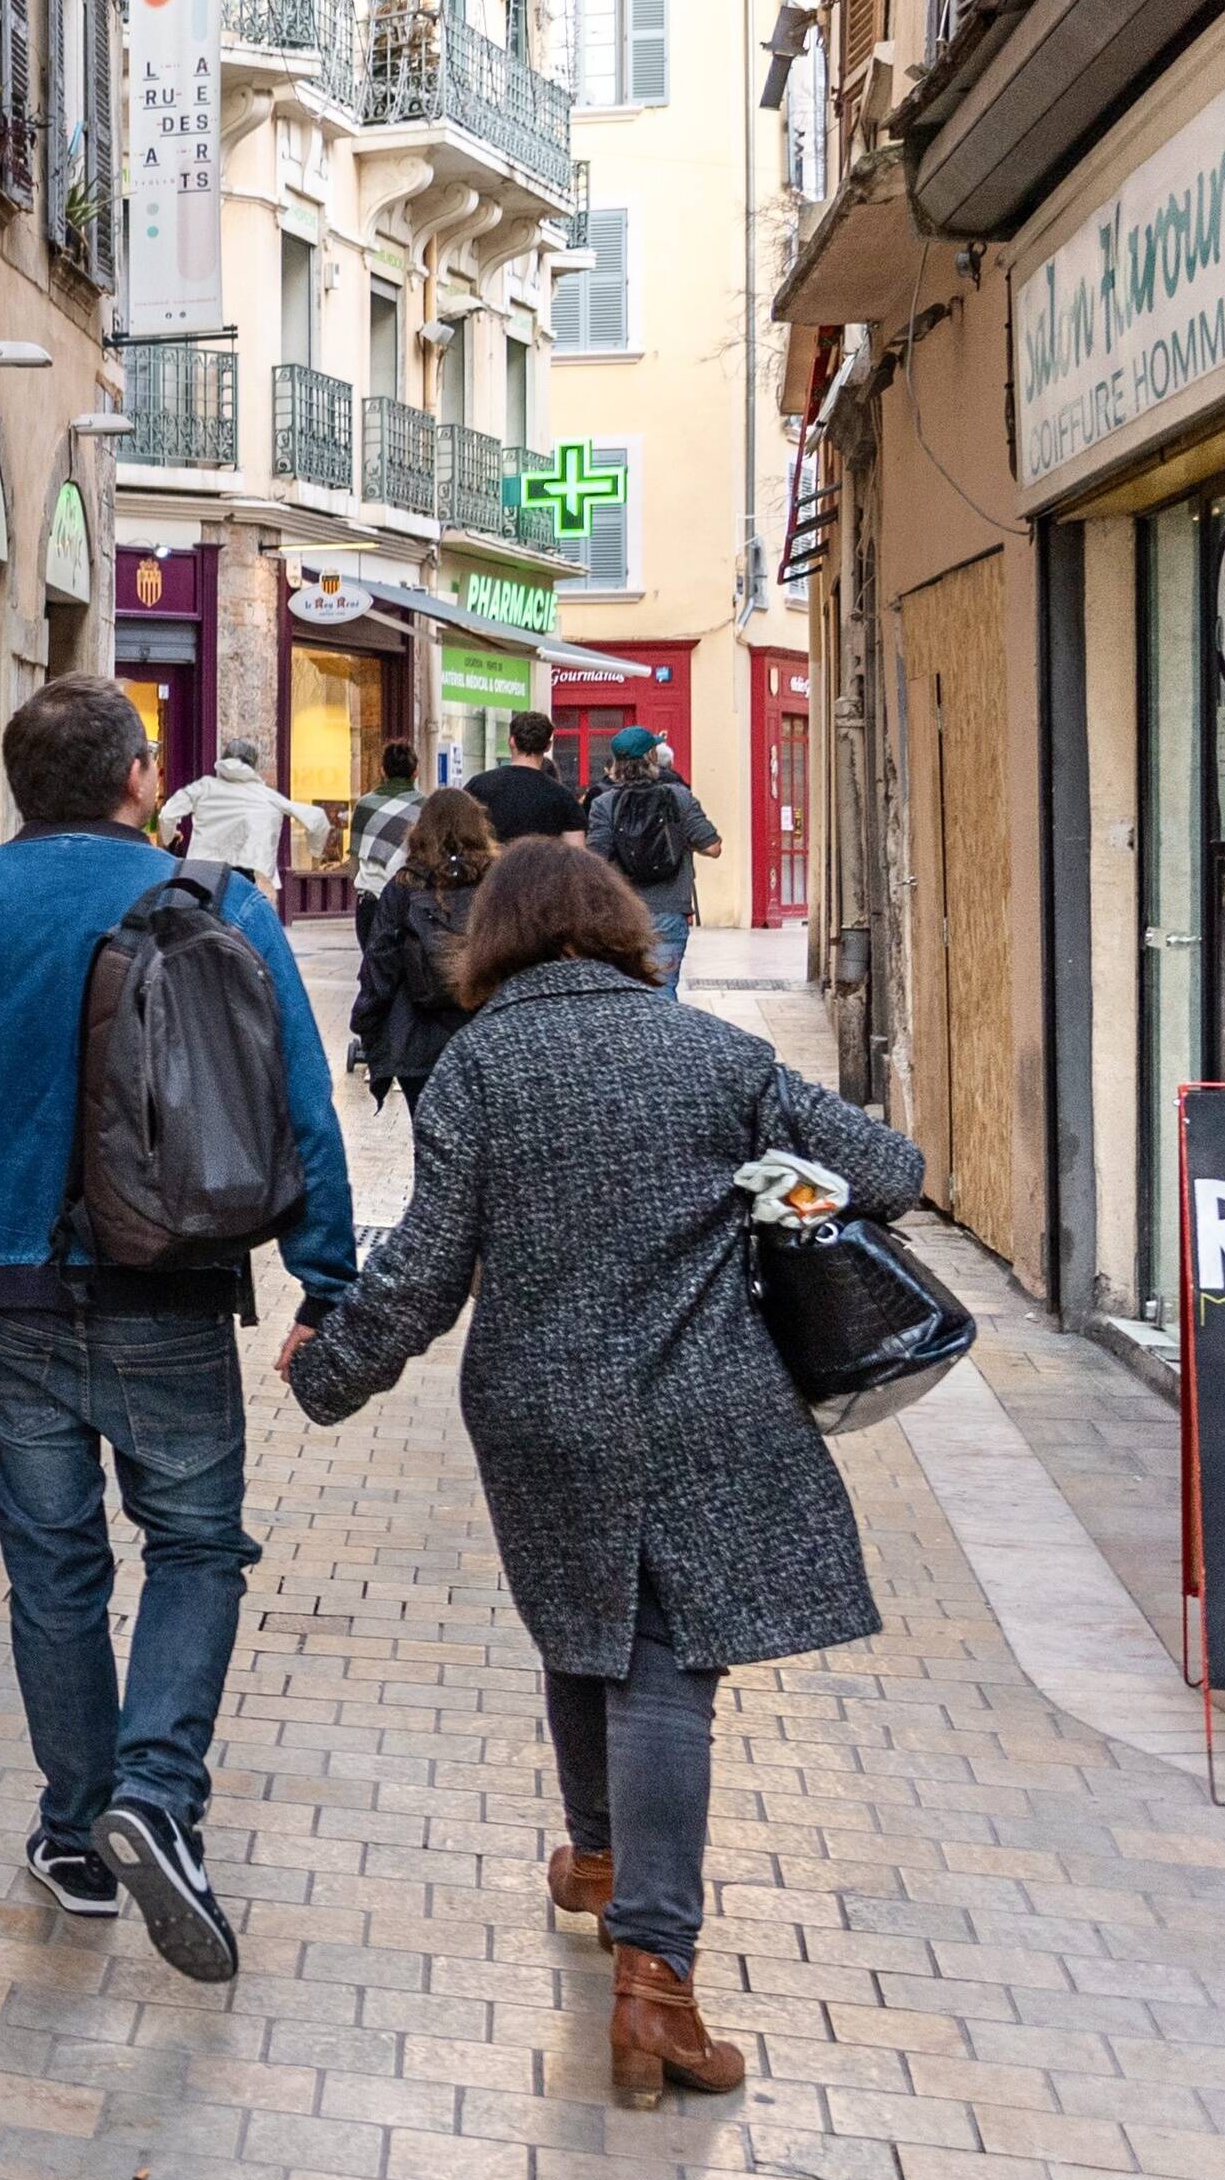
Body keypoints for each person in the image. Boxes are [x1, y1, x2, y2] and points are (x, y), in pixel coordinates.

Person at [284, 840, 925, 2106]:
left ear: (494, 940)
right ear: (622, 929)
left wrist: (327, 1371)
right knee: (663, 1667)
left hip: (533, 1411)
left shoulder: (479, 1065)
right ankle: (656, 1981)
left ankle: (594, 1860)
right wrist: (771, 1191)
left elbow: (423, 1268)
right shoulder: (711, 1052)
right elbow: (890, 1173)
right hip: (698, 1400)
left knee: (585, 1620)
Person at [0, 678, 362, 1981]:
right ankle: (156, 1789)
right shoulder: (224, 904)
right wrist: (328, 1281)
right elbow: (300, 1099)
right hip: (174, 1293)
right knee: (195, 1544)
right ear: (140, 780)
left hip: (9, 1295)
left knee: (54, 1569)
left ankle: (79, 1832)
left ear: (21, 786)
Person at [347, 786, 499, 1108]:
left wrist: (368, 1026)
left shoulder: (403, 886)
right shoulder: (498, 886)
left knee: (428, 1139)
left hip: (419, 1041)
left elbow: (379, 967)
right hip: (487, 1036)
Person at [584, 728, 723, 992]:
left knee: (623, 995)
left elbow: (596, 862)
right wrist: (680, 839)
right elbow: (713, 847)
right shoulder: (678, 797)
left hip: (622, 912)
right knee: (663, 991)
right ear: (651, 755)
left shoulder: (603, 804)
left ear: (616, 761)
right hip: (669, 911)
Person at [154, 738, 326, 891]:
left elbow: (167, 814)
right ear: (253, 765)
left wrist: (171, 837)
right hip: (240, 876)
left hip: (200, 872)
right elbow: (317, 818)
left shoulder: (204, 787)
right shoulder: (263, 794)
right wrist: (315, 851)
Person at [468, 709, 582, 847]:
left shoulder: (478, 786)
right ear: (548, 746)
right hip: (542, 867)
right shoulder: (564, 798)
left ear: (511, 741)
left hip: (492, 867)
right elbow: (576, 854)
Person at [344, 740, 427, 925]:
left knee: (372, 953)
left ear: (382, 770)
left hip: (371, 899)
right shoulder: (426, 807)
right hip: (410, 899)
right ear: (415, 772)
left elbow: (355, 860)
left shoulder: (365, 805)